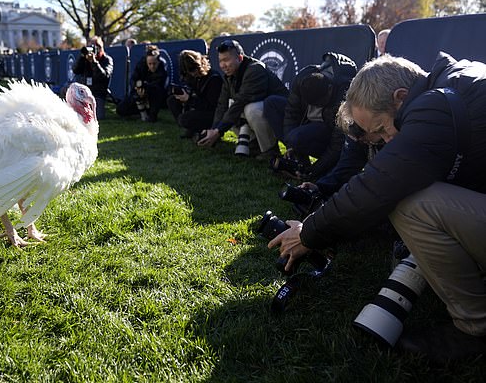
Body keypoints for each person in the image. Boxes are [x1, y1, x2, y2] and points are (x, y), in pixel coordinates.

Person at [269, 52, 486, 362]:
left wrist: (308, 234)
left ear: (400, 98)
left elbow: (376, 187)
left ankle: (474, 326)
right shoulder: (458, 82)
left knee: (410, 204)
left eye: (383, 129)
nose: (385, 140)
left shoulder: (434, 105)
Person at [263, 52, 357, 179]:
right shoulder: (303, 77)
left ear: (330, 88)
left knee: (296, 137)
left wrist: (312, 171)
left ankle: (303, 162)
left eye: (320, 103)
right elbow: (291, 113)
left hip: (328, 130)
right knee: (272, 103)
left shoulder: (344, 92)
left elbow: (338, 144)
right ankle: (297, 158)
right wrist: (290, 147)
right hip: (307, 124)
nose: (316, 106)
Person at [198, 40, 289, 159]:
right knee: (231, 108)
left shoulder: (255, 69)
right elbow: (222, 104)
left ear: (240, 58)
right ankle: (254, 145)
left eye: (226, 60)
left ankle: (271, 150)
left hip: (282, 115)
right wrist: (214, 130)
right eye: (220, 61)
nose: (223, 65)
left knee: (250, 109)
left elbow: (241, 101)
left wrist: (219, 131)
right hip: (260, 112)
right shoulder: (229, 75)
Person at [166, 50, 223, 138]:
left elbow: (212, 106)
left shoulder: (213, 79)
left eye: (193, 69)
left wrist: (189, 99)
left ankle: (202, 131)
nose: (192, 73)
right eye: (187, 71)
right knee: (172, 100)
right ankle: (192, 129)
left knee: (184, 119)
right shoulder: (192, 77)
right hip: (198, 107)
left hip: (213, 113)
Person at [117, 44, 168, 122]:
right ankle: (139, 113)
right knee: (121, 109)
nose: (152, 66)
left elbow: (158, 85)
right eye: (150, 64)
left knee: (152, 118)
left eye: (154, 63)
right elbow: (133, 79)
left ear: (158, 61)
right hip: (138, 92)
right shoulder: (141, 64)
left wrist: (145, 89)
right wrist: (137, 88)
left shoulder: (162, 68)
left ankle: (149, 114)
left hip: (154, 95)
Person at [72, 36, 113, 120]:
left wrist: (94, 62)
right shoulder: (85, 59)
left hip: (98, 93)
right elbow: (76, 70)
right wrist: (82, 57)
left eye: (95, 47)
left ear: (100, 48)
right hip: (84, 93)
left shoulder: (107, 60)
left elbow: (104, 76)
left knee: (98, 116)